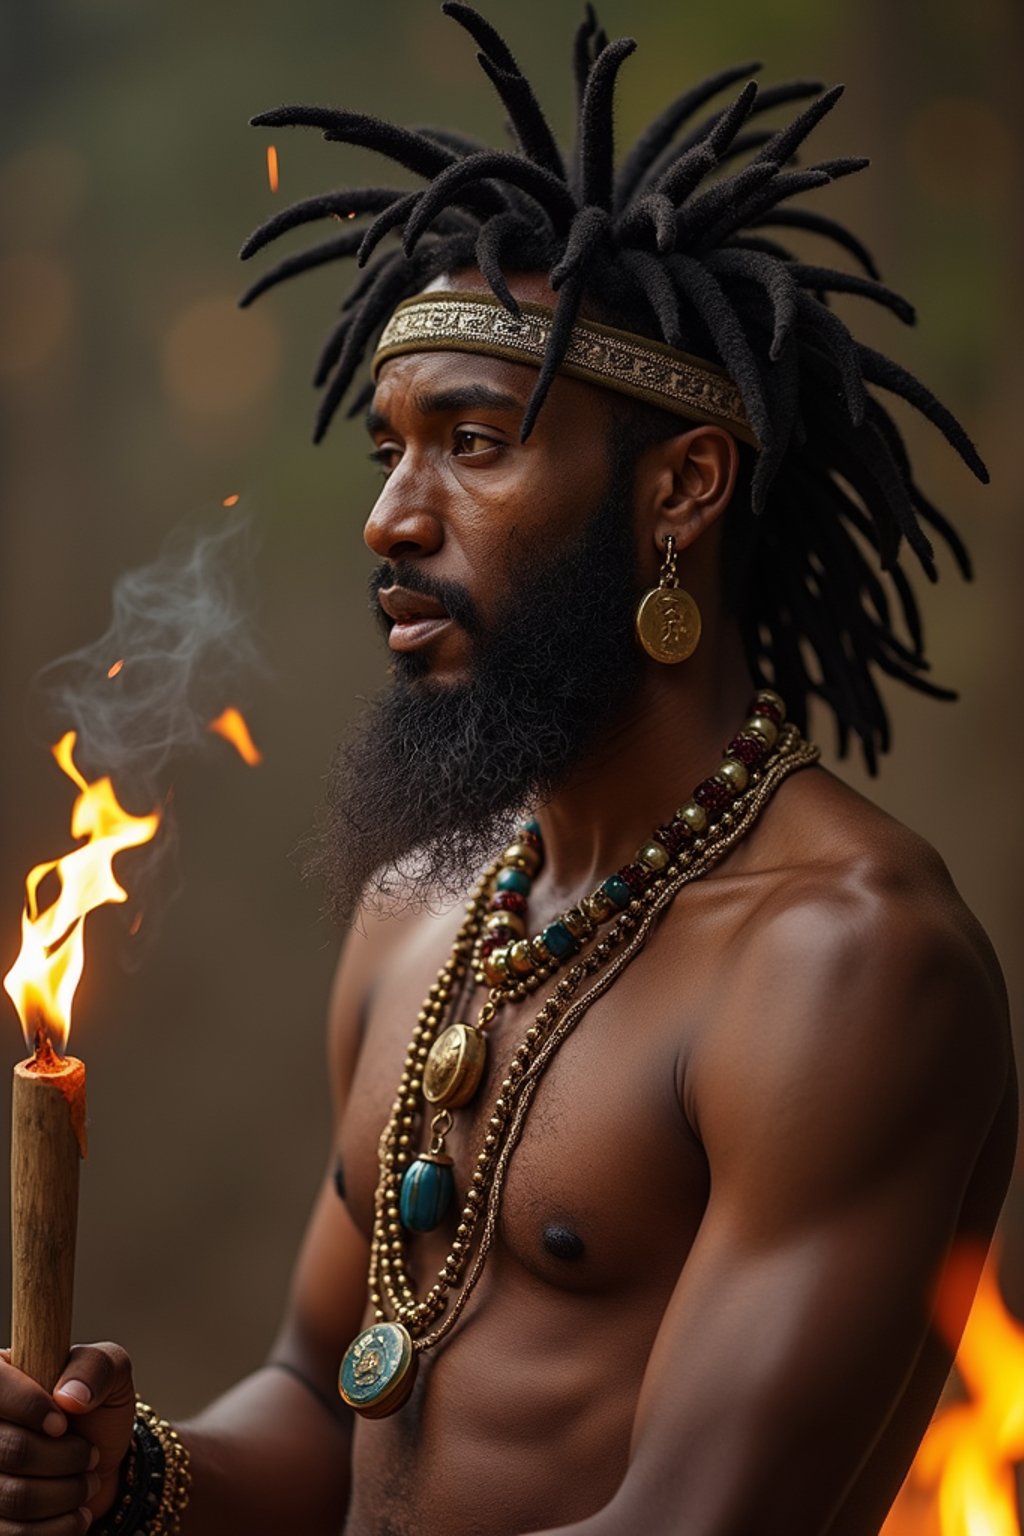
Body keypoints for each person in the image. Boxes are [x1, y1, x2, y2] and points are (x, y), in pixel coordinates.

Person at [0, 7, 1015, 1534]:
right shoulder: (422, 902)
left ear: (679, 488)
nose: (393, 519)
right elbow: (321, 1403)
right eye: (390, 451)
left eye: (472, 442)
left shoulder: (846, 967)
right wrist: (131, 1473)